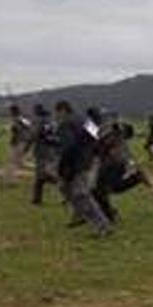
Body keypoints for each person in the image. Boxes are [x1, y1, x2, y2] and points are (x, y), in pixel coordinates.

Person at [54, 100, 113, 236]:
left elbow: (68, 147)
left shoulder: (65, 124)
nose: (56, 116)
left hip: (74, 163)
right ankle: (81, 215)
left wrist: (64, 167)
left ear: (62, 110)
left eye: (57, 112)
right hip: (87, 160)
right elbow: (97, 138)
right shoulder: (85, 121)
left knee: (81, 194)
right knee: (67, 188)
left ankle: (102, 226)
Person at [28, 104, 61, 205]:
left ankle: (64, 187)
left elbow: (35, 134)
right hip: (52, 150)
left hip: (41, 150)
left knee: (42, 174)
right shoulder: (52, 122)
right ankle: (36, 199)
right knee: (41, 175)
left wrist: (30, 131)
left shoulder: (39, 121)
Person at [6, 104, 31, 182]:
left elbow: (11, 129)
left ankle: (12, 179)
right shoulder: (23, 120)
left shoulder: (15, 120)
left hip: (16, 144)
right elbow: (29, 127)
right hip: (21, 143)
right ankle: (39, 170)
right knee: (21, 163)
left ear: (12, 112)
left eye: (10, 111)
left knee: (14, 163)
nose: (9, 113)